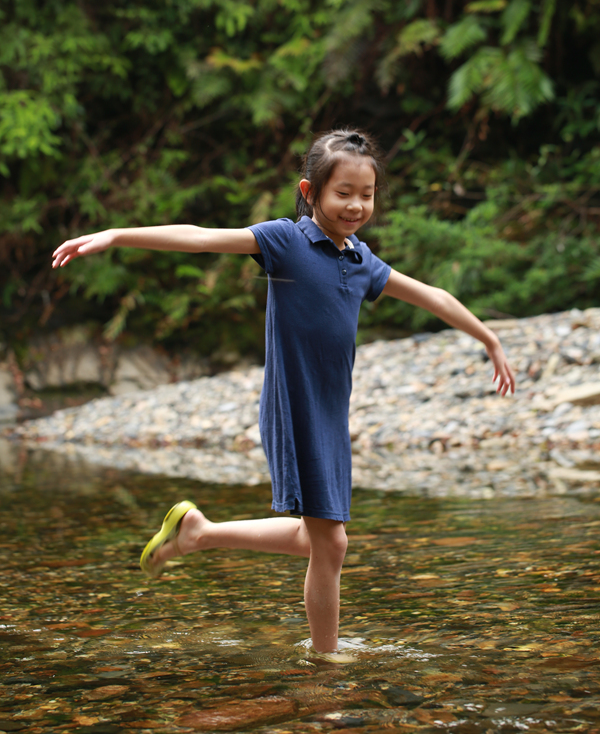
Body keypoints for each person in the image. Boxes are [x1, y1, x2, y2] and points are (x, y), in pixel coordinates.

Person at [52, 129, 515, 658]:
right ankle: (325, 660)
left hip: (330, 413)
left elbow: (431, 295)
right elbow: (202, 236)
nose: (356, 205)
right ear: (310, 190)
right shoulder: (286, 242)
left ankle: (197, 534)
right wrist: (116, 235)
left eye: (366, 194)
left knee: (315, 539)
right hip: (295, 406)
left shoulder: (360, 261)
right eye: (343, 192)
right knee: (331, 543)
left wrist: (489, 337)